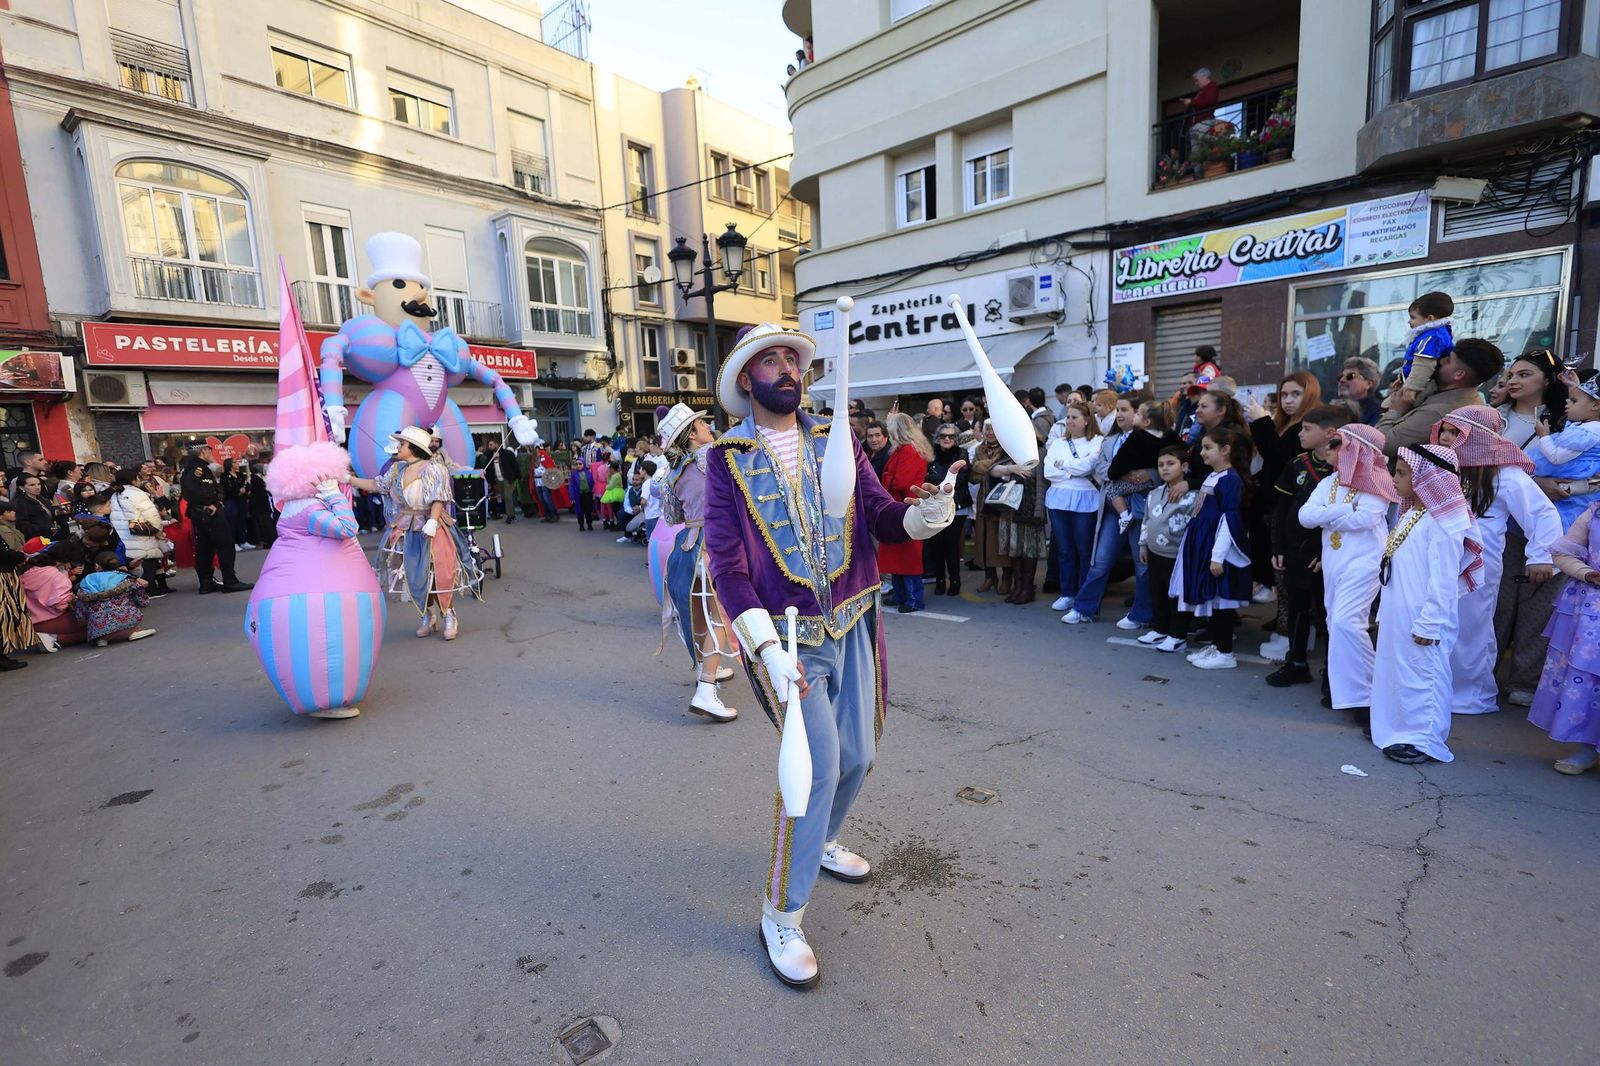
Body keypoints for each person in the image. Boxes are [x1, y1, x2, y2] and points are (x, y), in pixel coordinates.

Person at [701, 321, 959, 989]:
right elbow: (728, 566)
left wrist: (925, 516)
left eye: (794, 358)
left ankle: (823, 840)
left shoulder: (832, 436)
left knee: (861, 756)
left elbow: (876, 513)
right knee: (816, 771)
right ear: (746, 380)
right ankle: (781, 914)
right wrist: (761, 646)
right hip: (788, 640)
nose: (788, 369)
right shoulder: (726, 459)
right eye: (773, 360)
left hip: (855, 619)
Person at [1431, 406, 1561, 716]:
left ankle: (1466, 693)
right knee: (1433, 620)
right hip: (1434, 557)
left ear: (1476, 437)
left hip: (1480, 562)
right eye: (1445, 431)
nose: (1448, 438)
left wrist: (1540, 556)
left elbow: (1542, 514)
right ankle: (1430, 687)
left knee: (1470, 626)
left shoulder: (1505, 474)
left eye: (1456, 432)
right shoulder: (1438, 467)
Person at [247, 440, 386, 720]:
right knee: (329, 637)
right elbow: (347, 528)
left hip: (286, 588)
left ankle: (315, 695)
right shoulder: (312, 510)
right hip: (322, 591)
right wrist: (335, 496)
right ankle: (329, 698)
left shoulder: (291, 506)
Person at [1369, 444, 1482, 764]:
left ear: (1426, 479)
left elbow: (1444, 579)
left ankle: (1425, 739)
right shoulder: (1413, 514)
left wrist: (1431, 621)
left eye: (1402, 474)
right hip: (1399, 610)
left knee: (1425, 674)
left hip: (1425, 615)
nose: (1394, 479)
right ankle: (1399, 728)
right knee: (1400, 670)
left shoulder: (1443, 522)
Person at [1297, 424, 1394, 722]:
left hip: (1363, 563)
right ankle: (1349, 695)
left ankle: (1371, 696)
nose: (1330, 447)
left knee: (1347, 623)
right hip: (1335, 562)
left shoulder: (1376, 480)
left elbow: (1366, 519)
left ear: (1357, 448)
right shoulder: (1330, 483)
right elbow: (1305, 517)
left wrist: (1327, 517)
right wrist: (1343, 512)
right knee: (1335, 624)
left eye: (1337, 442)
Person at [352, 425, 477, 641]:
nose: (398, 447)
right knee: (414, 573)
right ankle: (428, 615)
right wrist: (348, 479)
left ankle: (449, 615)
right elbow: (377, 484)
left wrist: (432, 521)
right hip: (405, 526)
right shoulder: (396, 469)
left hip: (431, 525)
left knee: (438, 572)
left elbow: (439, 497)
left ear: (414, 447)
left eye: (402, 444)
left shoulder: (434, 468)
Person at [657, 403, 738, 722]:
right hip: (713, 546)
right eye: (701, 425)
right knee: (718, 619)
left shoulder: (673, 471)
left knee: (702, 618)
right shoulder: (713, 457)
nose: (707, 428)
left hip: (687, 549)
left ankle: (709, 669)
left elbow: (672, 515)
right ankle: (705, 691)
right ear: (692, 434)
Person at [1266, 405, 1350, 686]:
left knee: (1329, 613)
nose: (1300, 434)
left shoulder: (1345, 467)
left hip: (1327, 554)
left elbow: (1342, 517)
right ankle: (1297, 662)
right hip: (1295, 551)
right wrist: (1277, 547)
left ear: (1329, 433)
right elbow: (1283, 507)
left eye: (1306, 429)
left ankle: (1332, 672)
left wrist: (1321, 551)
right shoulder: (1297, 464)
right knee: (1298, 608)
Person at [1063, 394, 1158, 628]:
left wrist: (1149, 475)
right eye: (1118, 410)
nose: (1120, 414)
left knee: (1142, 564)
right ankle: (1084, 608)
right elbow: (1102, 469)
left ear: (1140, 415)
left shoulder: (1152, 439)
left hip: (1142, 508)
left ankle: (1141, 614)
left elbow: (1161, 470)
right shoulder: (1109, 441)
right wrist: (1123, 473)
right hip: (1113, 509)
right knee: (1101, 562)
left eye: (1125, 410)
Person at [1528, 499, 1600, 773]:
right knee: (1588, 681)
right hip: (1590, 610)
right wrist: (1587, 573)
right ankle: (1587, 747)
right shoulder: (1594, 512)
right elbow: (1562, 552)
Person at [1176, 427, 1255, 669]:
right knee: (1213, 600)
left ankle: (1225, 653)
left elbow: (1229, 521)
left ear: (1226, 450)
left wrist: (1218, 556)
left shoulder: (1230, 479)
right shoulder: (1214, 476)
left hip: (1218, 547)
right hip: (1204, 543)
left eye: (1208, 448)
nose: (1202, 452)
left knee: (1223, 602)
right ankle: (1217, 646)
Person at [1377, 337, 1503, 456]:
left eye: (1448, 360)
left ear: (1459, 375)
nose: (1440, 361)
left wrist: (1395, 410)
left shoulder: (1440, 412)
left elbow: (1383, 443)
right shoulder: (1470, 399)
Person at [1137, 445, 1201, 652]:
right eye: (1161, 465)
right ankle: (1160, 629)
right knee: (1158, 593)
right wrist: (1142, 546)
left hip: (1177, 556)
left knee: (1176, 597)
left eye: (1170, 464)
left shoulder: (1193, 495)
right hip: (1155, 553)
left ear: (1184, 466)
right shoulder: (1155, 493)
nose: (1165, 468)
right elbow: (1146, 521)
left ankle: (1177, 635)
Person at [1045, 405, 1101, 611]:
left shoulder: (1097, 441)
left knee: (1084, 549)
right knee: (1064, 549)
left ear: (1087, 420)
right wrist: (1071, 469)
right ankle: (1067, 593)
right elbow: (1048, 470)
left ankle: (1084, 594)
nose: (1069, 421)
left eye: (1074, 417)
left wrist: (1064, 466)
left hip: (1086, 498)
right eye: (1068, 417)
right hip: (1059, 499)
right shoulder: (1058, 442)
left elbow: (1088, 466)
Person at [1528, 369, 1600, 529]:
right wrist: (1574, 386)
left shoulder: (1587, 432)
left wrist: (1544, 436)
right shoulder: (1587, 426)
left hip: (1569, 487)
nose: (1567, 404)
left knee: (1555, 529)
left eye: (1573, 401)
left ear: (1596, 405)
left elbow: (1556, 457)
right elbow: (1584, 403)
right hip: (1574, 490)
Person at [878, 412, 933, 613]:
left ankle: (913, 599)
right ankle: (903, 595)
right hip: (903, 506)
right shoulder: (906, 449)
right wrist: (889, 477)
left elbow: (900, 482)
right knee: (901, 553)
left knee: (907, 555)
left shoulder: (908, 451)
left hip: (906, 505)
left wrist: (886, 477)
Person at [179, 447, 251, 594]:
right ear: (203, 451)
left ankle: (207, 582)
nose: (211, 454)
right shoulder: (196, 467)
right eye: (209, 451)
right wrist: (207, 504)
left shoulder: (198, 466)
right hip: (207, 512)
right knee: (225, 544)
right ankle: (229, 581)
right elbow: (190, 489)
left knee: (206, 547)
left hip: (204, 512)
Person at [1387, 291, 1455, 411]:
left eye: (1413, 317)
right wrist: (1402, 378)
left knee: (1392, 409)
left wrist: (1411, 388)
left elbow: (1423, 365)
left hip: (1423, 386)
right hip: (1416, 383)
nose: (1409, 322)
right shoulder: (1432, 334)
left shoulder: (1432, 337)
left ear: (1429, 318)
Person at [72, 551, 156, 647]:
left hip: (99, 630)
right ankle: (133, 632)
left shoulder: (87, 581)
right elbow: (142, 600)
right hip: (128, 623)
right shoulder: (124, 578)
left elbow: (81, 612)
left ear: (97, 566)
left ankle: (103, 640)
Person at [109, 468, 170, 597]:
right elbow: (151, 515)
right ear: (133, 480)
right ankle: (150, 590)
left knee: (135, 562)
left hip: (124, 534)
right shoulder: (137, 494)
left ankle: (143, 591)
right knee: (147, 559)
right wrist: (157, 529)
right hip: (141, 533)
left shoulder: (115, 495)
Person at [926, 423, 969, 596]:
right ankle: (940, 580)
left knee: (951, 546)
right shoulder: (930, 455)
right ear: (937, 438)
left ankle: (955, 580)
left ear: (956, 439)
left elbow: (961, 480)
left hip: (956, 506)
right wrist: (946, 480)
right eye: (943, 435)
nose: (946, 439)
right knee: (936, 545)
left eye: (951, 436)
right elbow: (925, 477)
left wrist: (938, 481)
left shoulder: (961, 454)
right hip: (935, 506)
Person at [21, 539, 87, 649]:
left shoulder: (29, 568)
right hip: (50, 620)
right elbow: (61, 604)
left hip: (29, 621)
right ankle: (56, 639)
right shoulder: (56, 576)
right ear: (67, 560)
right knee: (93, 626)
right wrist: (73, 598)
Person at [0, 498, 36, 669]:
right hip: (3, 576)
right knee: (4, 615)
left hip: (7, 573)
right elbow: (3, 554)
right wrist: (21, 556)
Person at [1179, 67, 1222, 162]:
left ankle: (1211, 166)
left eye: (1197, 80)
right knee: (1196, 154)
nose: (1196, 83)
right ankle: (1198, 174)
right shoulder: (1201, 92)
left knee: (1204, 147)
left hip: (1204, 123)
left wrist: (1191, 102)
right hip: (1195, 126)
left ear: (1204, 77)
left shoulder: (1212, 86)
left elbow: (1208, 101)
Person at [482, 438, 523, 525]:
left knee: (508, 496)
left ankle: (509, 516)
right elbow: (488, 468)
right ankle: (512, 514)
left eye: (491, 445)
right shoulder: (489, 456)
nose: (490, 447)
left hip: (508, 478)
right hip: (498, 479)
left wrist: (518, 476)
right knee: (504, 497)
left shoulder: (506, 454)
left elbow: (514, 464)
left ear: (497, 444)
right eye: (489, 445)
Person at [1337, 357, 1383, 426]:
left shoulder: (1379, 413)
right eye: (1341, 376)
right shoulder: (1333, 408)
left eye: (1350, 376)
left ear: (1368, 384)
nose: (1342, 380)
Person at [11, 473, 56, 541]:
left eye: (39, 484)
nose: (37, 487)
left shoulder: (42, 499)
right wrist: (47, 528)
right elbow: (23, 527)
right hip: (36, 540)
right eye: (32, 485)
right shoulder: (20, 503)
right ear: (21, 487)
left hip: (50, 535)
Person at [221, 458, 253, 550]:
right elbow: (226, 488)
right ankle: (233, 543)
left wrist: (245, 490)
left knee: (242, 521)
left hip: (242, 500)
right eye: (235, 462)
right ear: (230, 464)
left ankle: (243, 541)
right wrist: (237, 491)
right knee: (232, 522)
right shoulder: (225, 476)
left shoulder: (240, 475)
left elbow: (246, 485)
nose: (237, 463)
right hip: (231, 501)